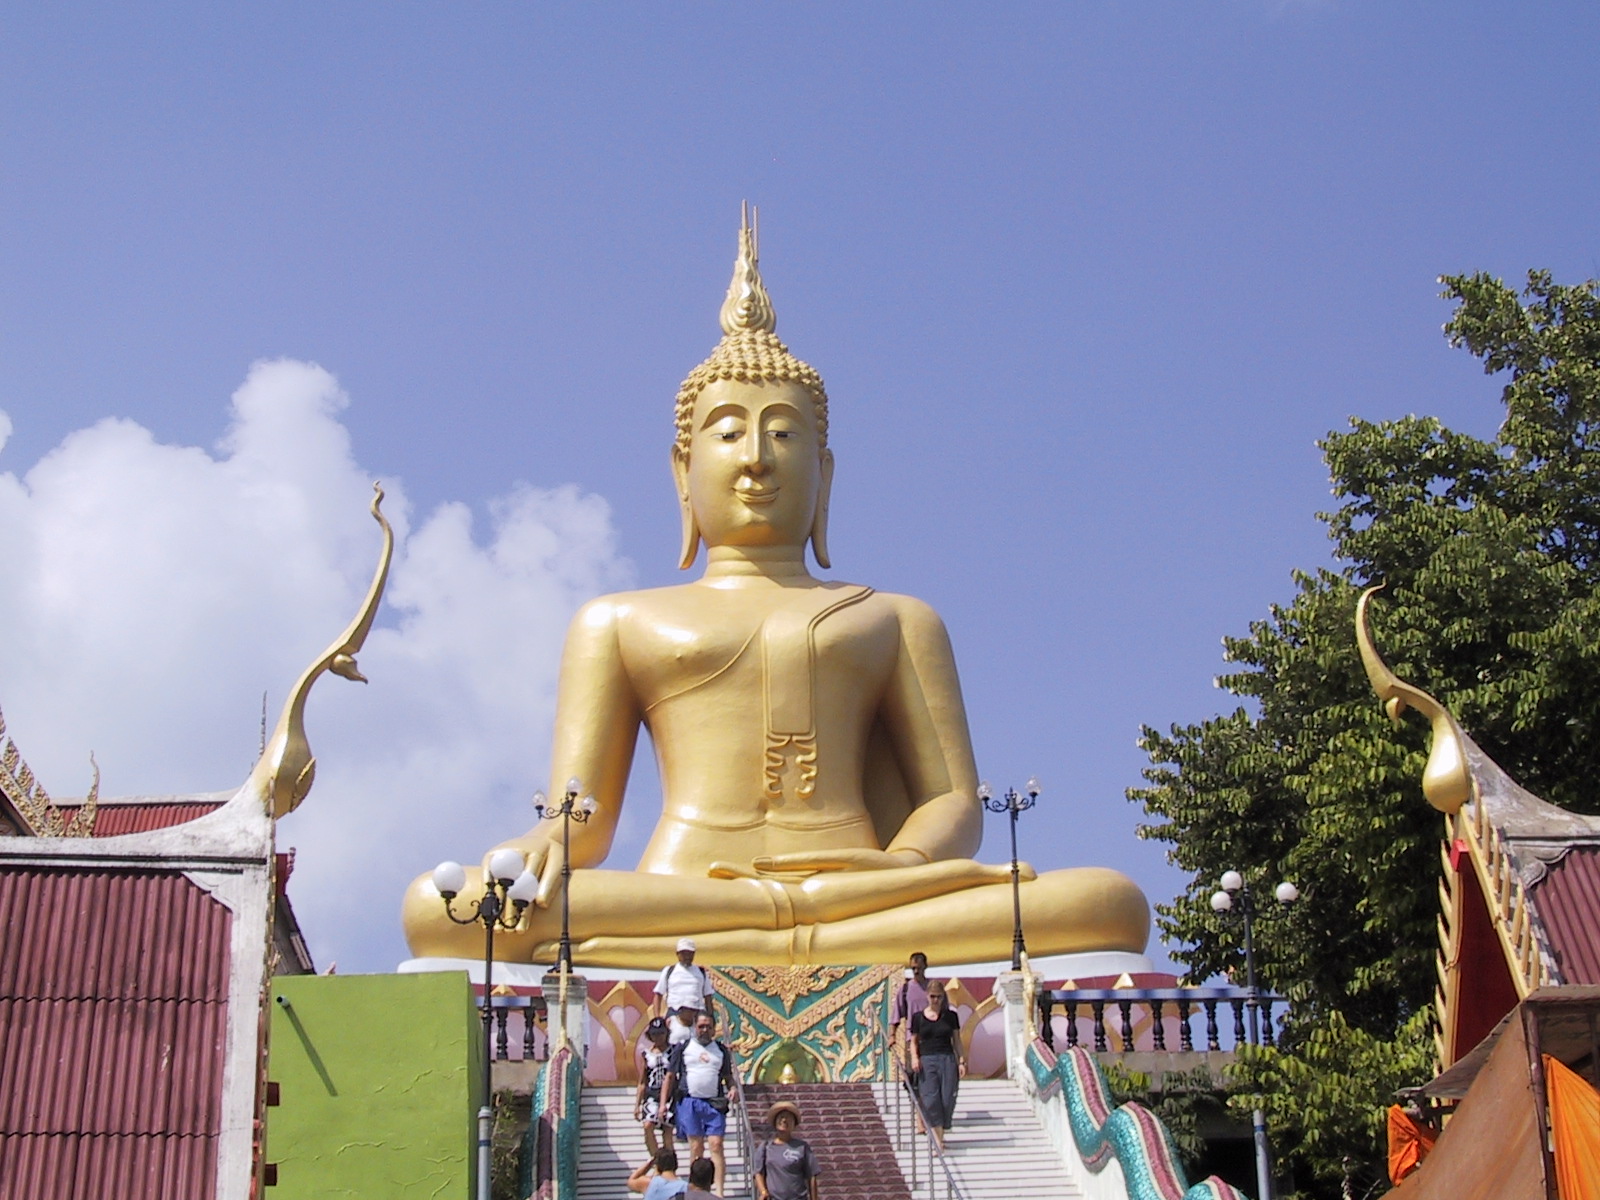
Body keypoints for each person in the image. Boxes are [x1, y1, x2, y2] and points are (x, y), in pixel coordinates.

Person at [401, 209, 1150, 967]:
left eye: (785, 433)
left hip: (862, 886)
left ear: (824, 474)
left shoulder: (895, 619)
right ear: (681, 473)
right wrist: (541, 841)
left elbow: (952, 804)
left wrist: (905, 866)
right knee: (442, 905)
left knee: (1107, 902)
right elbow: (583, 819)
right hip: (689, 890)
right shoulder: (620, 621)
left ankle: (781, 931)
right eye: (728, 432)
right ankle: (799, 931)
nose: (756, 458)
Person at [661, 1013, 739, 1196]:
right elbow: (670, 1076)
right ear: (695, 1028)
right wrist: (663, 1103)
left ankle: (719, 1192)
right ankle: (696, 1189)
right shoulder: (684, 1048)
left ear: (714, 1029)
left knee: (716, 1144)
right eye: (701, 1026)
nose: (704, 1030)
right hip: (690, 1101)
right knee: (696, 1146)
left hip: (714, 1102)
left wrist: (733, 1088)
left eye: (708, 1026)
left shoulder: (720, 1050)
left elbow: (728, 1077)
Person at [908, 980, 964, 1150]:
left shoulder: (951, 1017)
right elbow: (914, 1041)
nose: (936, 1001)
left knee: (947, 1099)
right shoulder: (918, 1017)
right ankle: (937, 1142)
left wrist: (961, 1060)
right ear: (927, 996)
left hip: (947, 1058)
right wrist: (915, 1058)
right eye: (933, 997)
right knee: (931, 1099)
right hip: (927, 1059)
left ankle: (940, 1135)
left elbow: (957, 1040)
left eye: (939, 997)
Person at [890, 951, 932, 1133]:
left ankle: (930, 1115)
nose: (915, 971)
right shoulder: (906, 989)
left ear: (925, 967)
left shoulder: (933, 988)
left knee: (930, 1079)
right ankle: (919, 1118)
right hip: (911, 1041)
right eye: (913, 968)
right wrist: (891, 1035)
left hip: (932, 1039)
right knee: (913, 1079)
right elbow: (896, 1015)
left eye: (918, 968)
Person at [754, 1101, 821, 1200]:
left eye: (788, 1118)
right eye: (781, 1117)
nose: (784, 1120)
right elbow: (758, 1173)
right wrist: (763, 1192)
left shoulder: (802, 1147)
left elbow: (812, 1176)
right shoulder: (765, 1147)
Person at [657, 938, 716, 1045]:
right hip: (675, 1014)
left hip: (697, 1015)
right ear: (677, 954)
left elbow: (708, 997)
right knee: (674, 1044)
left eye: (690, 954)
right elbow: (658, 994)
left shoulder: (701, 972)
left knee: (699, 1046)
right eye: (684, 954)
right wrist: (658, 1019)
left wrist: (711, 1018)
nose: (687, 957)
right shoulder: (669, 971)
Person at [636, 1017, 675, 1155]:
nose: (658, 1037)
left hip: (670, 1096)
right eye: (654, 1034)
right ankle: (656, 1159)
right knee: (648, 1126)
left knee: (667, 1132)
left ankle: (669, 1165)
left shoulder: (673, 1051)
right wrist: (637, 1104)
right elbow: (642, 1081)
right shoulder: (646, 1054)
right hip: (651, 1094)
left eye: (661, 1033)